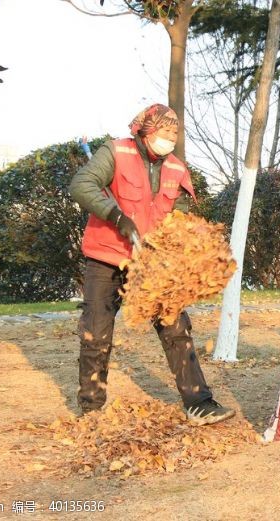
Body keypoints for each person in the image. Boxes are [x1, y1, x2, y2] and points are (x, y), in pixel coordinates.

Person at [68, 103, 235, 426]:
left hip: (152, 262)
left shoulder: (176, 168)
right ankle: (91, 410)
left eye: (175, 133)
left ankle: (199, 402)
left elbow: (181, 217)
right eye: (165, 131)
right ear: (146, 131)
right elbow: (82, 185)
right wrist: (116, 215)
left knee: (176, 327)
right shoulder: (115, 152)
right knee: (96, 332)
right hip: (107, 256)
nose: (171, 138)